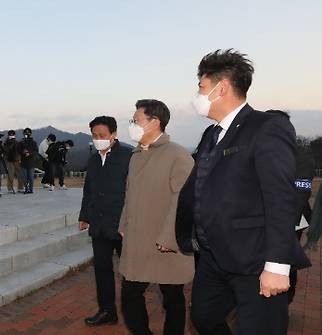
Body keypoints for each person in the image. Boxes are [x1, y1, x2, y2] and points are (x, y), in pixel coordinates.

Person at [175, 49, 310, 335]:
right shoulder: (211, 134)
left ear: (220, 88)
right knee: (203, 317)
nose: (196, 94)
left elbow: (280, 197)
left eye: (201, 86)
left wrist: (277, 265)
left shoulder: (266, 127)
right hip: (214, 256)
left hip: (255, 258)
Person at [118, 99, 194, 335]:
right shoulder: (136, 156)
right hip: (138, 240)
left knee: (172, 297)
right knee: (130, 293)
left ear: (155, 122)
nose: (132, 124)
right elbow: (129, 195)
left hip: (165, 241)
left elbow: (184, 202)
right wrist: (123, 224)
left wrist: (168, 237)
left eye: (136, 120)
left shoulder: (178, 156)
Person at [79, 116, 132, 327]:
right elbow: (88, 191)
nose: (98, 139)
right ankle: (107, 311)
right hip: (99, 226)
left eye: (102, 135)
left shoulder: (129, 156)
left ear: (114, 134)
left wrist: (129, 222)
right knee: (102, 270)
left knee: (129, 273)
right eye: (94, 136)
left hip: (122, 226)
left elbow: (134, 192)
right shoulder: (92, 160)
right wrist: (84, 216)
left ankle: (132, 313)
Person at [265, 110, 316, 304]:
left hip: (292, 221)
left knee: (286, 262)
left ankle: (285, 300)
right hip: (266, 219)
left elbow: (300, 192)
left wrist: (282, 227)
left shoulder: (301, 154)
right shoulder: (264, 151)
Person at [18, 128, 38, 194]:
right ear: (23, 134)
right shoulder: (21, 142)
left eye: (28, 132)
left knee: (31, 177)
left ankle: (31, 189)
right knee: (25, 177)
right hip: (23, 162)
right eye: (25, 132)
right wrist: (23, 152)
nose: (27, 134)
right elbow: (18, 151)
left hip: (31, 162)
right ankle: (26, 189)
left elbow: (35, 151)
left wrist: (29, 153)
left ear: (31, 133)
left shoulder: (34, 142)